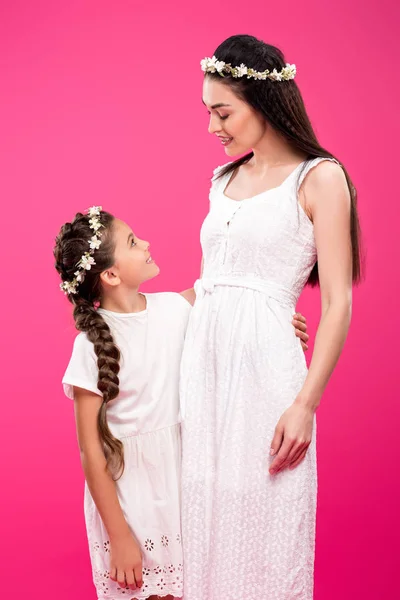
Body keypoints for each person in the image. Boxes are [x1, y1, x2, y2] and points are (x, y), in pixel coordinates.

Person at [180, 34, 361, 600]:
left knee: (264, 524)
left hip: (267, 380)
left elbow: (338, 303)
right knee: (199, 513)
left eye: (222, 111)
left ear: (263, 102)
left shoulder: (320, 178)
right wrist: (123, 316)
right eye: (209, 112)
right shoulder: (220, 181)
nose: (213, 127)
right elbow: (212, 286)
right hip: (201, 372)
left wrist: (305, 403)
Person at [54, 207, 309, 600]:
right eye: (134, 242)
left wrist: (278, 323)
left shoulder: (175, 308)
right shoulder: (90, 346)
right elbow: (91, 450)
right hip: (131, 500)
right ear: (110, 275)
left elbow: (232, 306)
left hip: (183, 485)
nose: (147, 244)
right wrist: (120, 535)